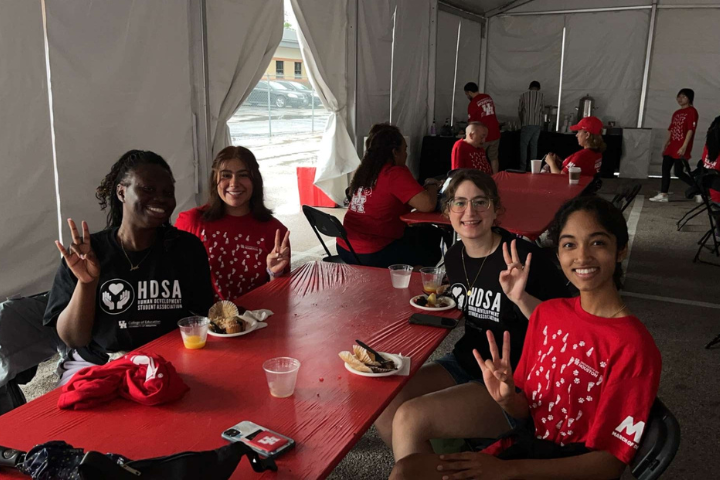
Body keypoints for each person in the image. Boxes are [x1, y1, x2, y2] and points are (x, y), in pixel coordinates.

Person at [390, 196, 661, 480]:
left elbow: (608, 466)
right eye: (569, 244)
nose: (582, 256)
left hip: (564, 467)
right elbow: (525, 411)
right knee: (407, 470)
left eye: (598, 242)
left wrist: (508, 470)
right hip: (526, 446)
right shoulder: (549, 314)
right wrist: (506, 398)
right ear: (558, 253)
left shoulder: (633, 346)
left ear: (621, 250)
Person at [375, 169, 569, 461]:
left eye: (480, 202)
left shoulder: (523, 258)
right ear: (448, 211)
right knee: (385, 404)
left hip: (516, 380)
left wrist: (522, 298)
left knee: (410, 418)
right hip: (467, 360)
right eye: (460, 203)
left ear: (496, 209)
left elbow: (568, 330)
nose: (470, 211)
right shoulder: (454, 256)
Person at [44, 150, 214, 385]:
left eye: (168, 192)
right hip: (99, 366)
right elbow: (74, 338)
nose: (160, 198)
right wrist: (87, 283)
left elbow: (202, 318)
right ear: (121, 192)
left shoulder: (185, 249)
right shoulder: (88, 253)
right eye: (148, 189)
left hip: (168, 363)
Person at [176, 146, 290, 301]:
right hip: (203, 322)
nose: (234, 183)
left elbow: (281, 299)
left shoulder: (276, 232)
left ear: (254, 180)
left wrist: (274, 273)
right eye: (226, 175)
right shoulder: (191, 222)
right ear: (215, 180)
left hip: (257, 322)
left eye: (243, 175)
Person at [338, 124, 442, 268]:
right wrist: (432, 184)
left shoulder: (365, 171)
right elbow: (428, 205)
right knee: (431, 238)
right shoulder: (394, 173)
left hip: (345, 247)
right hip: (373, 251)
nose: (407, 154)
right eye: (405, 150)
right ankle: (414, 282)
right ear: (395, 152)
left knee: (417, 234)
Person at [650, 88, 699, 203]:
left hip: (682, 146)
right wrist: (666, 143)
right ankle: (663, 194)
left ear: (689, 98)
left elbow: (690, 130)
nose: (680, 99)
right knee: (665, 168)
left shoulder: (692, 111)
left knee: (679, 172)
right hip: (672, 146)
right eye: (679, 96)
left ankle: (698, 189)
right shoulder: (676, 113)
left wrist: (684, 146)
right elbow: (671, 129)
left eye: (683, 97)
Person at [465, 82, 501, 173]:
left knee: (479, 158)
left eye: (466, 94)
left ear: (469, 92)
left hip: (483, 135)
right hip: (495, 132)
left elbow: (471, 124)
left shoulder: (472, 104)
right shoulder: (488, 97)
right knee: (494, 157)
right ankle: (496, 177)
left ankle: (481, 180)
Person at [518, 81, 544, 171]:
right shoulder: (541, 96)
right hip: (537, 124)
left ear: (530, 87)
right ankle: (532, 168)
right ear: (538, 88)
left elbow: (520, 111)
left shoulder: (524, 95)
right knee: (534, 146)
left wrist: (522, 122)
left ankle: (523, 168)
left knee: (524, 146)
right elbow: (542, 111)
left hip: (527, 123)